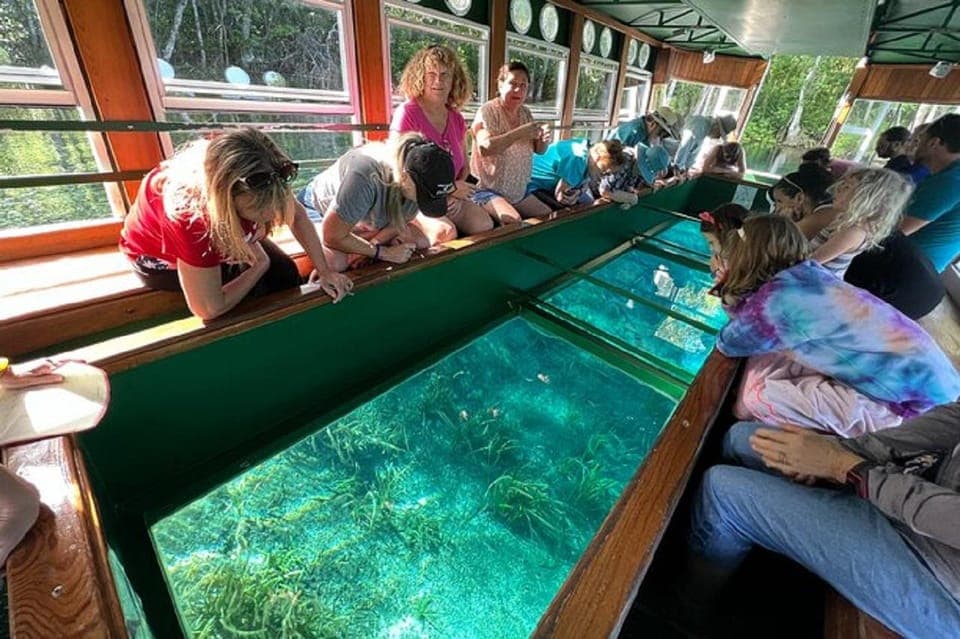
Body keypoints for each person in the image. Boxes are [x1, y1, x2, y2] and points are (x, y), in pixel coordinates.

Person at [685, 402, 960, 638]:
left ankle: (690, 611)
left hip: (935, 570)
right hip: (910, 487)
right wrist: (845, 451)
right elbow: (953, 419)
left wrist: (844, 467)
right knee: (741, 438)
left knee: (722, 491)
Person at [714, 215, 960, 436]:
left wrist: (727, 290)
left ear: (742, 260)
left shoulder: (775, 305)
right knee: (785, 355)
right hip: (937, 381)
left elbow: (728, 343)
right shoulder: (808, 272)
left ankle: (833, 441)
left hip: (912, 411)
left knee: (753, 400)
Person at [119, 128, 353, 321]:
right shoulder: (190, 216)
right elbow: (207, 308)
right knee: (252, 296)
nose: (265, 222)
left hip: (231, 227)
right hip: (160, 259)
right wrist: (259, 264)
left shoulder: (264, 173)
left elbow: (298, 216)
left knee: (286, 274)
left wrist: (325, 270)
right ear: (226, 199)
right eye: (257, 215)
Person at [298, 133, 457, 272]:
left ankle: (361, 239)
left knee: (419, 241)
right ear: (404, 178)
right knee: (336, 264)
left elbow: (401, 220)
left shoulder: (421, 180)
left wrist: (372, 245)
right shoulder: (365, 175)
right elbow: (331, 236)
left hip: (365, 219)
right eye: (424, 197)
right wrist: (382, 252)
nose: (425, 202)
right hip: (317, 208)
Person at [390, 45, 492, 236]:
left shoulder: (457, 118)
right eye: (431, 74)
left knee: (483, 224)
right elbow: (398, 173)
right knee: (446, 231)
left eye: (445, 74)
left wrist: (455, 194)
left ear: (455, 79)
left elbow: (465, 167)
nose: (438, 80)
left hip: (453, 196)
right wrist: (449, 191)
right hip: (417, 200)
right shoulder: (407, 113)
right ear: (420, 76)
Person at [470, 61, 553, 224]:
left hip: (518, 192)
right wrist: (519, 133)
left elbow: (540, 150)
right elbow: (485, 147)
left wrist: (543, 139)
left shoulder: (526, 112)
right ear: (500, 85)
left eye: (523, 85)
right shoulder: (487, 110)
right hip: (488, 190)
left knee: (547, 216)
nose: (518, 90)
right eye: (513, 84)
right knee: (514, 221)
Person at [809, 168, 913, 278]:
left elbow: (811, 262)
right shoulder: (845, 220)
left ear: (866, 198)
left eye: (847, 187)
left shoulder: (853, 232)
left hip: (814, 282)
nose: (837, 189)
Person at [899, 113, 960, 273]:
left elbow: (896, 229)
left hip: (903, 270)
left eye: (919, 141)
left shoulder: (951, 181)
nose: (914, 147)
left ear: (934, 143)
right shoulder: (949, 176)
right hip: (920, 268)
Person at [526, 138, 625, 209]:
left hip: (535, 176)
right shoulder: (579, 160)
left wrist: (578, 192)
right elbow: (561, 197)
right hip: (529, 184)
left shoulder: (586, 146)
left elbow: (582, 186)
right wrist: (572, 198)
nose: (604, 176)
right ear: (598, 159)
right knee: (557, 213)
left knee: (588, 202)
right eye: (604, 171)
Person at [768, 162, 836, 239]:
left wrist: (785, 222)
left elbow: (780, 244)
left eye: (779, 201)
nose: (776, 206)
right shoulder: (819, 211)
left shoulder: (821, 215)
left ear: (799, 198)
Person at [596, 143, 672, 208]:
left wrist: (652, 184)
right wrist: (629, 198)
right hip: (593, 192)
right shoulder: (623, 162)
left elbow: (640, 181)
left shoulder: (638, 167)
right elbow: (604, 190)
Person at [698, 203, 748, 280]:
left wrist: (718, 273)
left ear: (729, 238)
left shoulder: (748, 266)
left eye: (711, 242)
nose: (711, 248)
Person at [608, 107, 682, 148]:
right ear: (653, 124)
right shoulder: (636, 131)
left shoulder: (644, 130)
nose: (659, 137)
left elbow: (647, 147)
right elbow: (617, 154)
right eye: (660, 133)